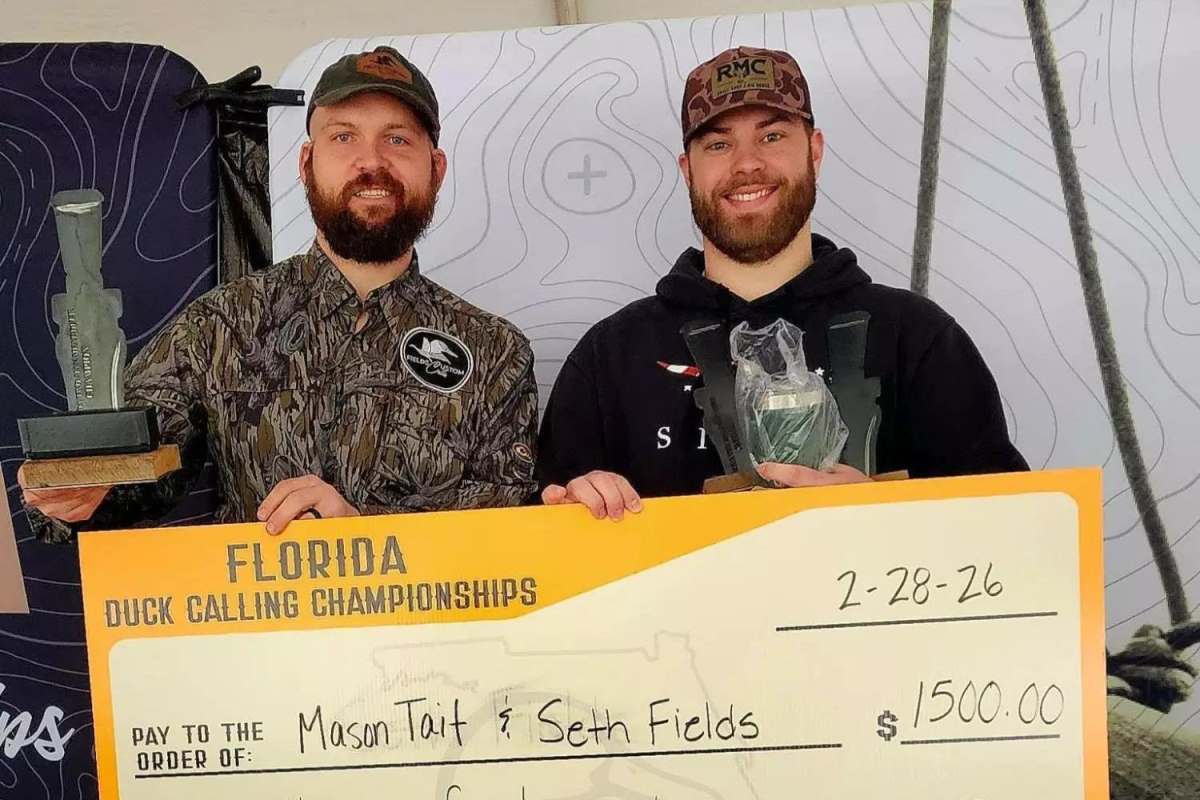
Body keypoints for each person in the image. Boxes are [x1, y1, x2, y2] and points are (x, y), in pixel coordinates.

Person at [21, 46, 538, 540]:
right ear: (306, 162)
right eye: (343, 137)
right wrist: (78, 491)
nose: (370, 162)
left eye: (397, 139)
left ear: (437, 169)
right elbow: (133, 469)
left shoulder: (493, 352)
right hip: (257, 626)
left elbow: (509, 522)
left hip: (427, 630)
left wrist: (364, 528)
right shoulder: (221, 325)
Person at [536, 46, 1027, 520]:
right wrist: (571, 512)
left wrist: (886, 518)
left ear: (814, 152)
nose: (746, 164)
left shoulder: (917, 339)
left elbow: (1015, 536)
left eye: (771, 137)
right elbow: (542, 563)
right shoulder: (610, 359)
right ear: (688, 171)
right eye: (718, 144)